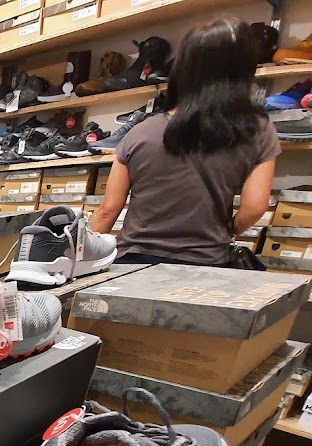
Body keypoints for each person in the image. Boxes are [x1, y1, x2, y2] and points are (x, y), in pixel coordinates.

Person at [91, 18, 279, 265]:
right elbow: (255, 207)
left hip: (134, 264)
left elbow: (108, 210)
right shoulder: (256, 130)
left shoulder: (140, 132)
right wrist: (228, 230)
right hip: (206, 264)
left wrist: (81, 257)